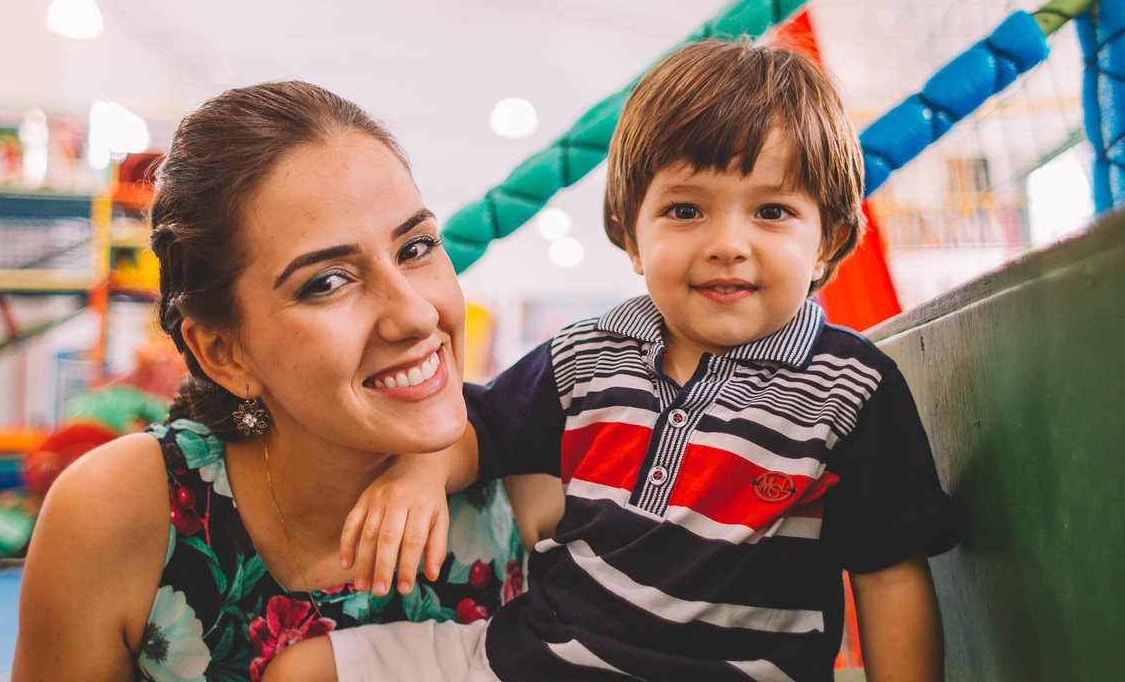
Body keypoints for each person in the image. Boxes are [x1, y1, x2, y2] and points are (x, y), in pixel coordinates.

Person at [267, 40, 965, 682]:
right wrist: (419, 474)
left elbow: (888, 575)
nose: (727, 244)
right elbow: (481, 427)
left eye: (772, 212)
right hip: (528, 658)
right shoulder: (588, 356)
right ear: (629, 235)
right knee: (304, 670)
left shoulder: (849, 388)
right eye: (686, 211)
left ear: (828, 242)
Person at [12, 81, 527, 682]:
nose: (416, 314)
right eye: (328, 282)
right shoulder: (122, 513)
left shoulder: (539, 472)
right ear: (225, 354)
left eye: (415, 247)